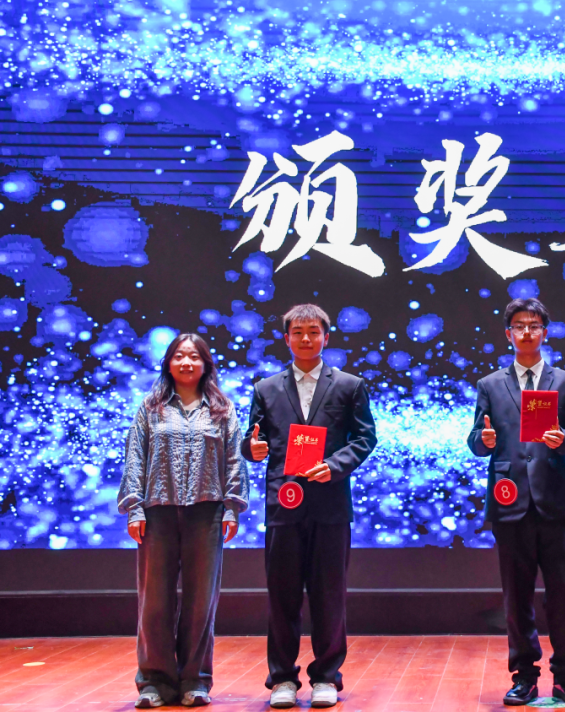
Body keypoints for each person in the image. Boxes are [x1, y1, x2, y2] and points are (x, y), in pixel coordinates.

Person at [241, 304, 378, 709]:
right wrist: (251, 449)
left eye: (313, 332)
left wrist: (334, 466)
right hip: (282, 505)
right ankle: (282, 678)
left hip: (330, 505)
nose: (306, 339)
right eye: (298, 332)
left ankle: (326, 677)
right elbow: (252, 441)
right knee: (281, 596)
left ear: (326, 337)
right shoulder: (266, 388)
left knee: (329, 595)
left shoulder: (349, 385)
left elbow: (365, 438)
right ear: (286, 339)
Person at [467, 298, 565, 706]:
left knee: (562, 594)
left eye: (534, 325)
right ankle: (523, 675)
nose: (526, 332)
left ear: (545, 332)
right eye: (519, 326)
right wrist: (483, 441)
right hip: (510, 501)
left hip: (554, 500)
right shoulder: (490, 384)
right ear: (508, 334)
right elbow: (476, 439)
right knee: (516, 595)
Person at [119, 333, 249, 708]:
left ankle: (195, 680)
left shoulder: (222, 409)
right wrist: (134, 507)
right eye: (179, 356)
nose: (187, 362)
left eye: (194, 356)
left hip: (206, 513)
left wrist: (232, 506)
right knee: (154, 601)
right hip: (156, 513)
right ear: (168, 363)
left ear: (205, 364)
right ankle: (155, 682)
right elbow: (135, 458)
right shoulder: (151, 407)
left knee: (200, 601)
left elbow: (234, 460)